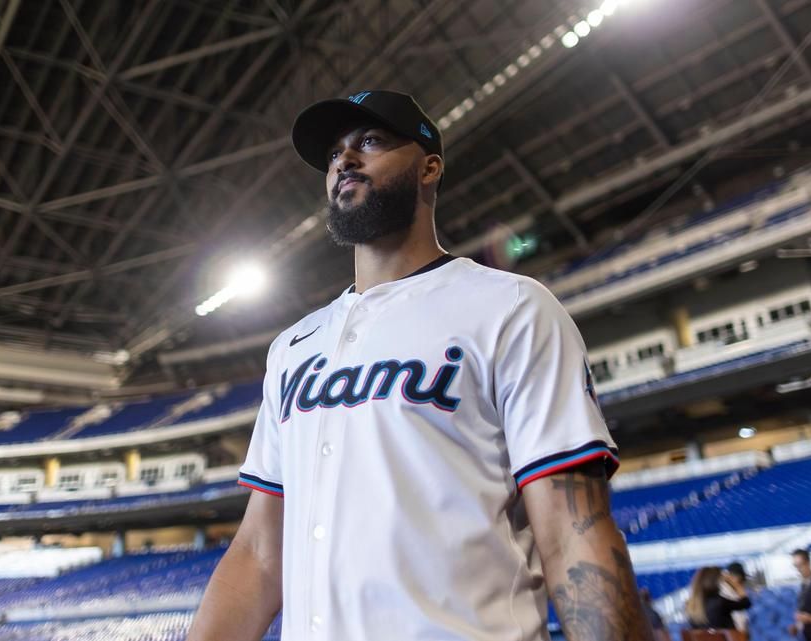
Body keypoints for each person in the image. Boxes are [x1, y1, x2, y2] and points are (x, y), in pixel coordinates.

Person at [188, 90, 652, 641]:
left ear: (430, 167)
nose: (344, 160)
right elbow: (259, 554)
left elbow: (573, 532)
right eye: (333, 154)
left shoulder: (510, 306)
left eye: (370, 141)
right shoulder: (292, 347)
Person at [686, 566, 752, 631]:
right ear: (715, 582)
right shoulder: (720, 602)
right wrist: (733, 583)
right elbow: (746, 603)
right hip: (731, 636)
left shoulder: (691, 606)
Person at [722, 561, 751, 638]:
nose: (742, 582)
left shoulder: (734, 590)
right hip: (734, 634)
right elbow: (745, 603)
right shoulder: (724, 591)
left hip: (738, 633)